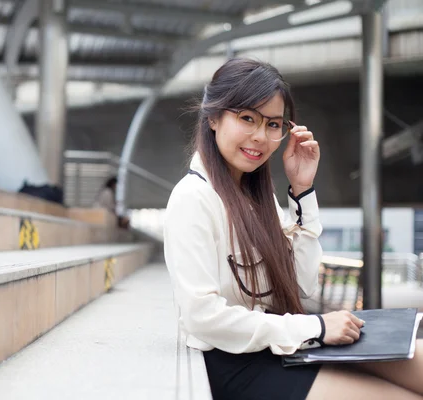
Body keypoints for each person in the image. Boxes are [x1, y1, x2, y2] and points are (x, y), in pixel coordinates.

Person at [163, 58, 423, 400]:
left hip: (285, 343)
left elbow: (302, 285)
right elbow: (202, 318)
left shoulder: (258, 196)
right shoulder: (193, 197)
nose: (260, 137)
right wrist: (315, 327)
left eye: (273, 124)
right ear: (213, 117)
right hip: (238, 362)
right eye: (247, 118)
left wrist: (302, 191)